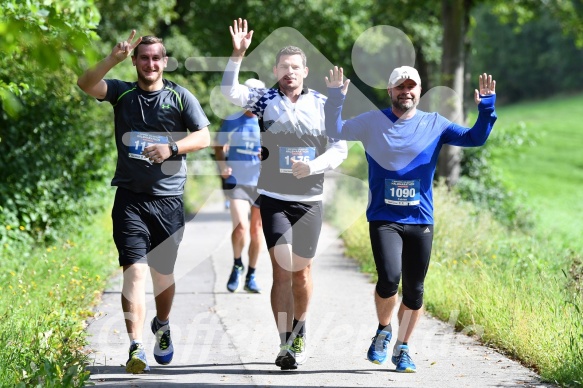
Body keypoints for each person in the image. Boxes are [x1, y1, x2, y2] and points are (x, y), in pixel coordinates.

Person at [324, 65, 497, 373]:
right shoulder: (370, 122)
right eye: (399, 86)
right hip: (384, 216)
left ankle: (403, 347)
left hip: (420, 218)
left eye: (411, 86)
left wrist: (486, 107)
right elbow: (335, 130)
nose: (406, 90)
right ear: (390, 91)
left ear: (419, 91)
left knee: (415, 289)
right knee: (389, 278)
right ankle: (383, 330)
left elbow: (475, 138)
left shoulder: (435, 124)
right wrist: (336, 98)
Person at [77, 31, 211, 374]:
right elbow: (85, 84)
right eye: (144, 57)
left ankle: (162, 324)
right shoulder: (122, 93)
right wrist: (111, 59)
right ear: (135, 61)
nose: (150, 63)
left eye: (156, 58)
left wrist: (172, 148)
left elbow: (204, 136)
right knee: (134, 271)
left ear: (164, 62)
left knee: (162, 275)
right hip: (130, 199)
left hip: (168, 201)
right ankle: (136, 345)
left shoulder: (180, 97)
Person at [221, 19, 347, 370]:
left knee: (302, 273)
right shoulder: (264, 100)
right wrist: (237, 54)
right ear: (276, 71)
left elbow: (340, 148)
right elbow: (229, 92)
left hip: (309, 201)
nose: (290, 72)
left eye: (296, 67)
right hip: (274, 197)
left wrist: (315, 165)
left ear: (305, 71)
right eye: (284, 67)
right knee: (281, 271)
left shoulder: (323, 104)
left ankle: (300, 331)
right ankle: (283, 344)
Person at [214, 78, 266, 294]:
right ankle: (237, 264)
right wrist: (222, 165)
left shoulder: (270, 121)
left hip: (262, 183)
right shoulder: (232, 120)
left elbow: (281, 150)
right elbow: (217, 145)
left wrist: (268, 155)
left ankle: (251, 275)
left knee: (256, 230)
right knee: (241, 227)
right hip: (237, 182)